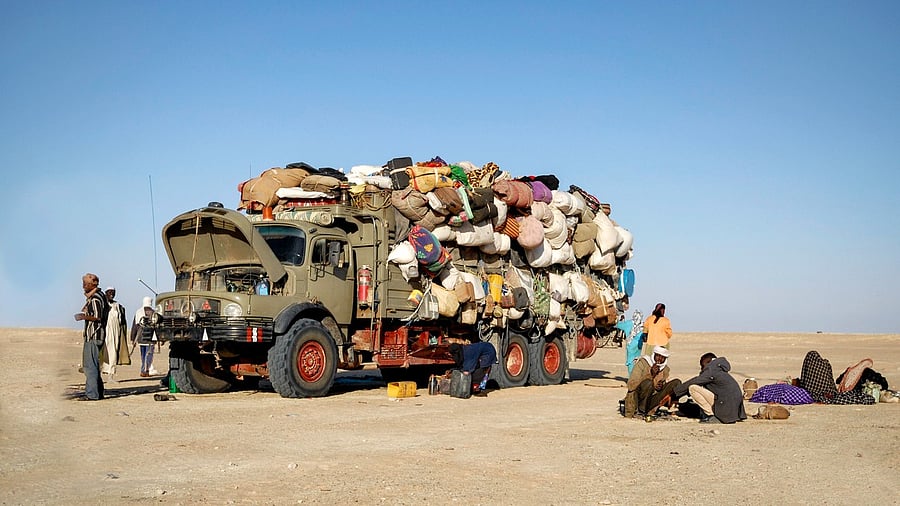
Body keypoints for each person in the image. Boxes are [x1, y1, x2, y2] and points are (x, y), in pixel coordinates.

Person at [674, 352, 747, 424]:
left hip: (726, 407)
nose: (702, 368)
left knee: (692, 388)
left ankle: (711, 415)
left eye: (702, 365)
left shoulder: (711, 370)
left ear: (707, 363)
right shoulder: (719, 370)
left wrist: (675, 393)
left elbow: (695, 381)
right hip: (734, 409)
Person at [75, 273, 108, 400]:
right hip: (97, 335)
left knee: (90, 367)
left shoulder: (96, 298)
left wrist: (82, 317)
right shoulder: (98, 296)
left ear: (92, 284)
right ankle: (98, 393)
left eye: (85, 284)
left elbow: (98, 317)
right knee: (93, 365)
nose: (83, 287)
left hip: (94, 335)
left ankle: (92, 394)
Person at [623, 345, 681, 418]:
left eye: (663, 357)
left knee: (676, 383)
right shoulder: (642, 363)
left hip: (652, 399)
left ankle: (674, 409)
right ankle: (641, 412)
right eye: (658, 356)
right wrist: (650, 374)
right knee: (648, 383)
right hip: (637, 399)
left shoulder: (665, 369)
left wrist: (660, 386)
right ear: (654, 355)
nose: (660, 359)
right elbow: (631, 386)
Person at [101, 286, 129, 379]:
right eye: (109, 292)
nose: (111, 294)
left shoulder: (118, 306)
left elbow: (122, 321)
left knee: (113, 352)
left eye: (113, 292)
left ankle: (111, 374)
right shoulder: (102, 304)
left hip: (116, 332)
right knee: (105, 351)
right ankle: (103, 371)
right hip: (106, 332)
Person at [131, 296, 159, 377]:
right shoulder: (154, 313)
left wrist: (133, 339)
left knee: (143, 355)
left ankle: (144, 370)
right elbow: (157, 327)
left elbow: (134, 326)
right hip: (150, 338)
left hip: (140, 338)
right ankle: (145, 370)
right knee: (148, 355)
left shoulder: (138, 312)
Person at [617, 310, 644, 375]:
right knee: (636, 361)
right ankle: (636, 377)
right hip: (639, 347)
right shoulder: (643, 325)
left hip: (631, 346)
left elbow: (618, 325)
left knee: (630, 362)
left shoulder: (629, 323)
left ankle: (631, 378)